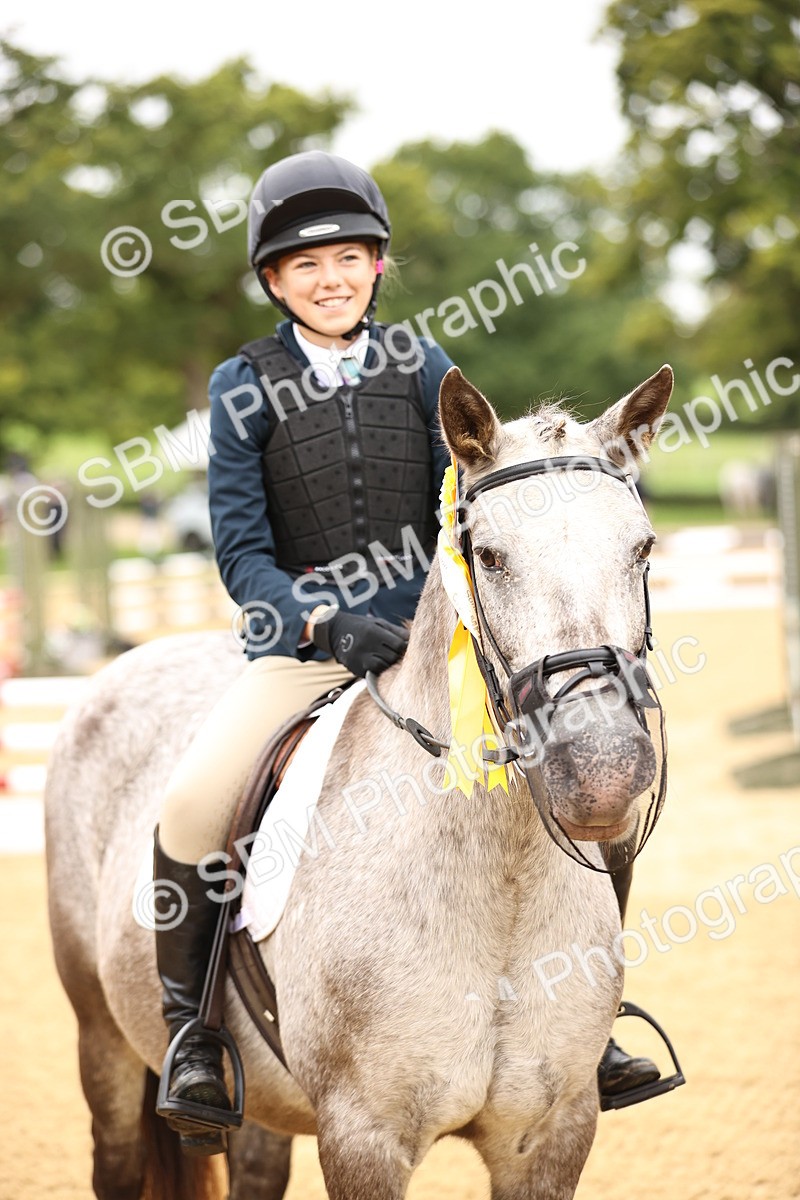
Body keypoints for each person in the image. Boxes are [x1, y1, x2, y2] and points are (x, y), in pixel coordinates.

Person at [152, 150, 660, 1153]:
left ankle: (586, 1025)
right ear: (272, 281)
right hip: (305, 650)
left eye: (348, 257)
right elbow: (242, 549)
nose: (328, 277)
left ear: (377, 266)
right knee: (195, 802)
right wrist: (319, 621)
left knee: (583, 775)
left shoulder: (426, 368)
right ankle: (196, 1035)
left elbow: (466, 509)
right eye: (305, 266)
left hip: (429, 647)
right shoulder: (241, 384)